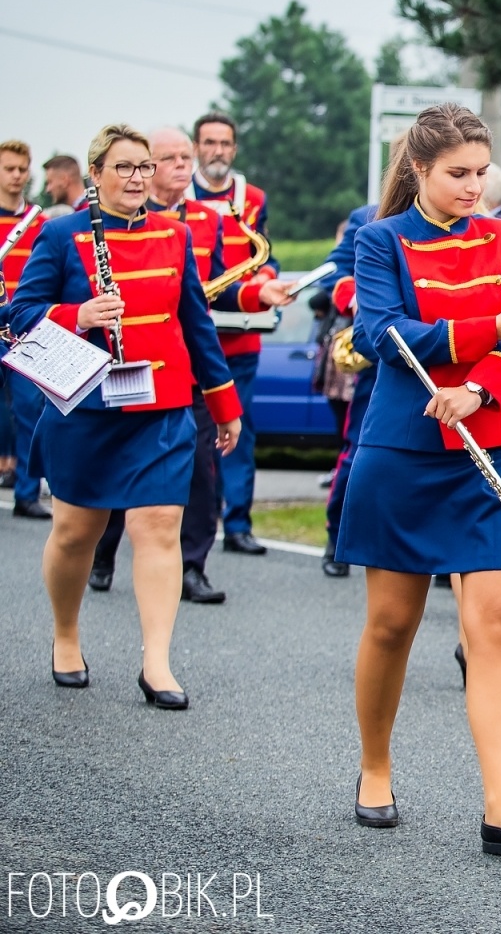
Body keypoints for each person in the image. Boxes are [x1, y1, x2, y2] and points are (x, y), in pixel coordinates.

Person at [337, 103, 501, 857]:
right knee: (392, 625)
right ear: (419, 172)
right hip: (403, 450)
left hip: (490, 444)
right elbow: (378, 333)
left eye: (480, 171)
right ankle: (374, 765)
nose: (474, 186)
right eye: (457, 174)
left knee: (497, 624)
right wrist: (485, 332)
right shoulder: (379, 239)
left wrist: (482, 384)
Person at [9, 124, 243, 709]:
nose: (138, 177)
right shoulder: (62, 235)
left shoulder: (174, 235)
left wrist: (223, 404)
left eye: (144, 167)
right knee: (75, 532)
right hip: (86, 404)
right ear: (97, 175)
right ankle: (66, 635)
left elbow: (196, 324)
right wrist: (77, 312)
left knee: (159, 525)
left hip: (160, 405)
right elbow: (19, 313)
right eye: (125, 168)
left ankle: (157, 663)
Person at [87, 128, 291, 601]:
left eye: (185, 156)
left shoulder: (204, 220)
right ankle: (102, 550)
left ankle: (192, 566)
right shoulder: (104, 221)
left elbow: (208, 292)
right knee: (122, 464)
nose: (181, 165)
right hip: (126, 362)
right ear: (147, 167)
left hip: (188, 365)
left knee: (201, 469)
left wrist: (256, 291)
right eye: (169, 158)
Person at [189, 110, 275, 556]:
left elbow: (266, 257)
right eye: (209, 143)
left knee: (239, 432)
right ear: (196, 147)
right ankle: (180, 521)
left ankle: (238, 523)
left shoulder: (253, 197)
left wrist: (268, 284)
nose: (217, 151)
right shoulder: (175, 196)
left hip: (238, 336)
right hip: (185, 340)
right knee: (186, 434)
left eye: (225, 143)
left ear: (234, 149)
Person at [321, 202, 380, 578]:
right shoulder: (369, 217)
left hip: (444, 350)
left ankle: (443, 555)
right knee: (359, 449)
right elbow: (335, 272)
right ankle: (338, 537)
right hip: (380, 353)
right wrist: (356, 297)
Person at [0, 139, 51, 519]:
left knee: (30, 410)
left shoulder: (40, 222)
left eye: (22, 169)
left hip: (24, 330)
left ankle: (27, 493)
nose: (17, 176)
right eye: (9, 169)